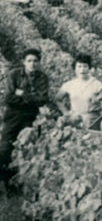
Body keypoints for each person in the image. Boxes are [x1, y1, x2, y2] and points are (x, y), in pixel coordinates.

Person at [0, 49, 50, 182]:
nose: (32, 64)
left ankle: (22, 180)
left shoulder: (42, 78)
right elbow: (8, 98)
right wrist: (32, 98)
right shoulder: (14, 74)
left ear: (39, 62)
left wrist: (22, 94)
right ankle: (5, 179)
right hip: (12, 115)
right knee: (5, 147)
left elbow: (42, 100)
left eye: (35, 61)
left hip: (30, 117)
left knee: (27, 148)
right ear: (24, 62)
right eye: (29, 61)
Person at [55, 53, 102, 127]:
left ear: (89, 68)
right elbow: (57, 99)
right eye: (79, 66)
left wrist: (97, 98)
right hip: (75, 116)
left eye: (85, 66)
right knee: (61, 123)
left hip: (91, 117)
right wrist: (66, 112)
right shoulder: (69, 84)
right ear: (75, 69)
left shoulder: (96, 83)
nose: (82, 70)